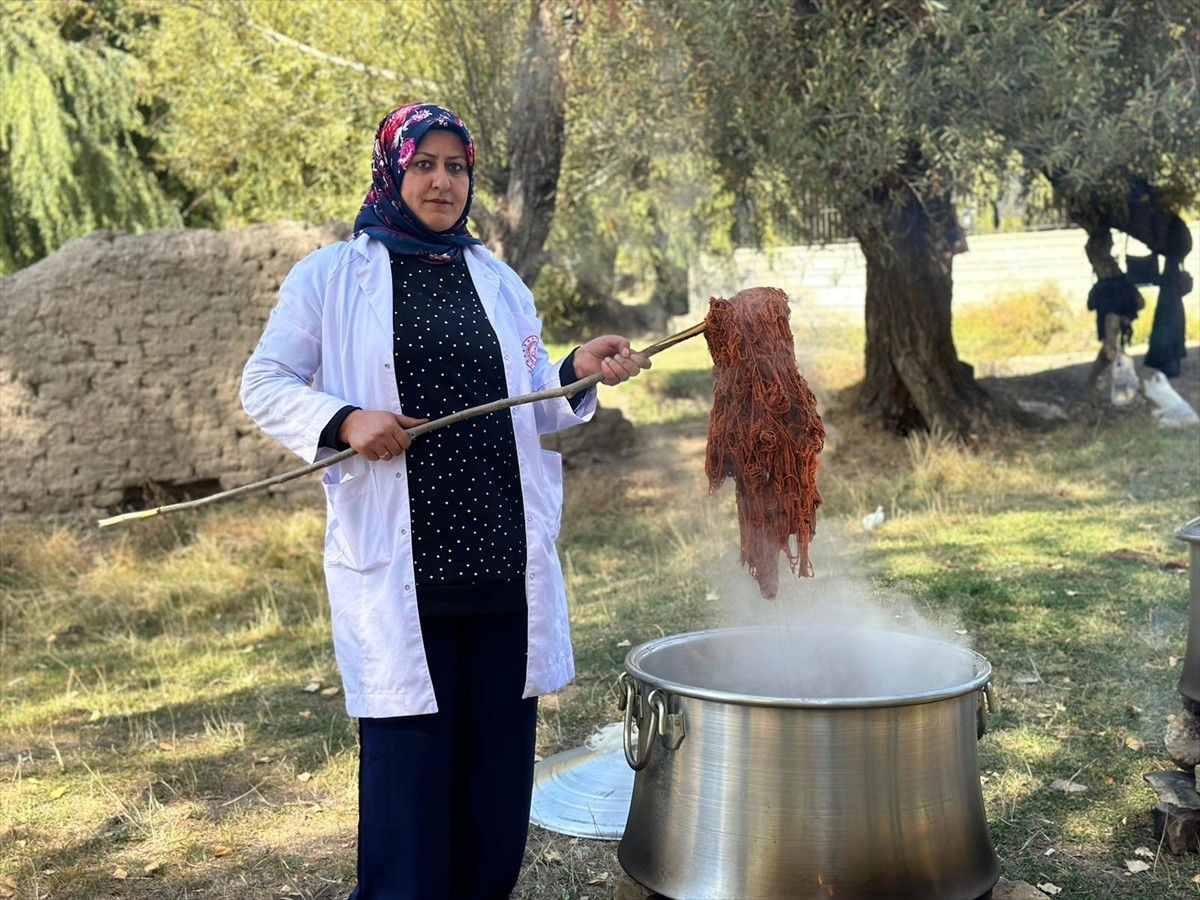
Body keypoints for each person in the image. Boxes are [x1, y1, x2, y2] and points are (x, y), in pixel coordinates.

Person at [240, 102, 650, 899]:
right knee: (409, 800)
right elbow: (264, 383)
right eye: (423, 164)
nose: (440, 181)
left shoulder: (497, 281)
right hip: (406, 576)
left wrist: (575, 370)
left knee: (493, 799)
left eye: (455, 167)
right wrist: (346, 419)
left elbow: (529, 397)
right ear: (394, 171)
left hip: (501, 568)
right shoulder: (331, 278)